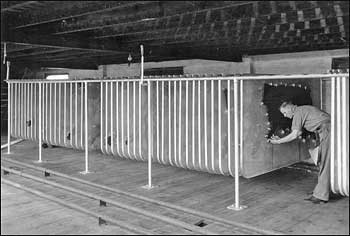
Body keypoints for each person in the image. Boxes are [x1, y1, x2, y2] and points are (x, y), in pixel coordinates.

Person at [267, 101, 331, 204]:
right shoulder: (303, 109)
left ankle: (321, 195)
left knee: (325, 163)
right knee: (323, 162)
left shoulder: (297, 112)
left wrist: (277, 141)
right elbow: (299, 132)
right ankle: (321, 190)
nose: (285, 115)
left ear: (290, 108)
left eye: (284, 112)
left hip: (328, 131)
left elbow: (295, 134)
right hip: (328, 130)